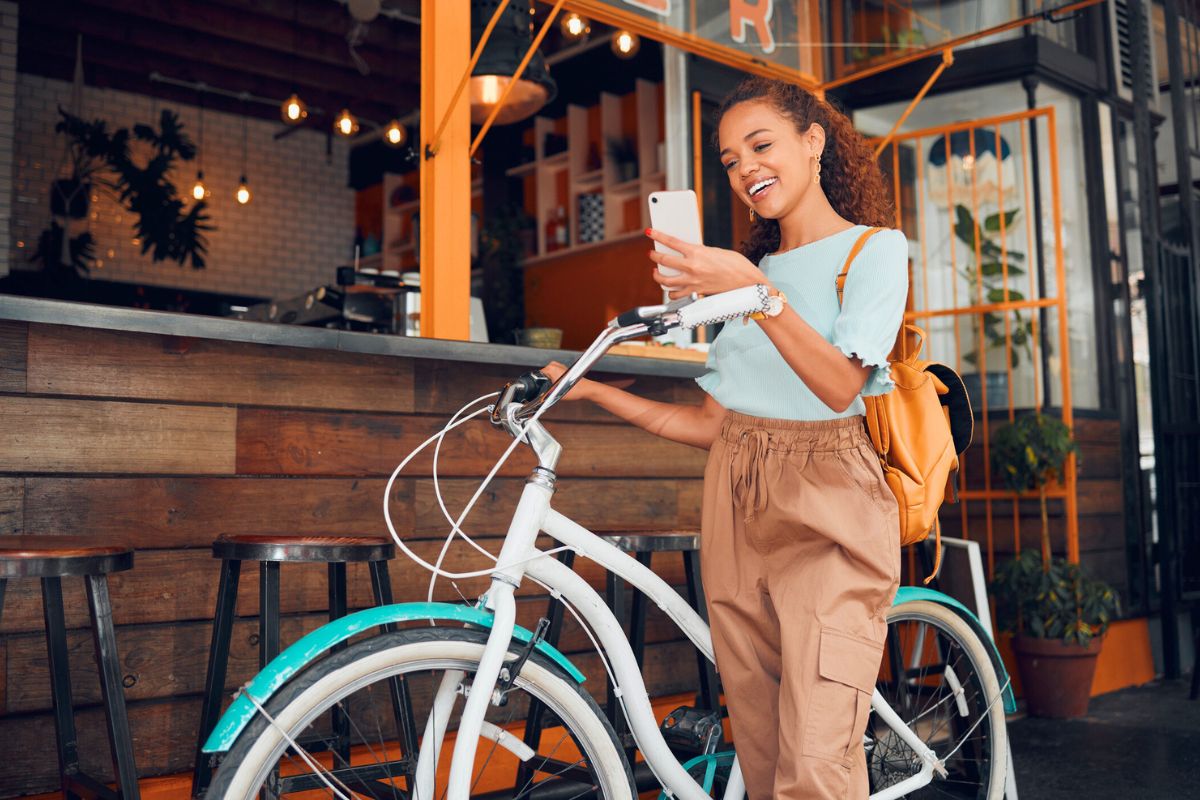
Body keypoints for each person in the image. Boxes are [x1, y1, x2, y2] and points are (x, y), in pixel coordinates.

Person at [541, 76, 907, 800]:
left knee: (817, 757)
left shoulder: (872, 251)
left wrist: (755, 292)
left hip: (829, 504)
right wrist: (589, 389)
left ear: (813, 141)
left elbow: (839, 386)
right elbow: (712, 426)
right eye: (730, 160)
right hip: (736, 502)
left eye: (760, 146)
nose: (745, 170)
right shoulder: (753, 276)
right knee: (766, 749)